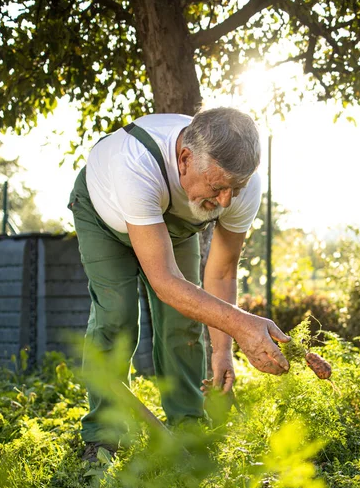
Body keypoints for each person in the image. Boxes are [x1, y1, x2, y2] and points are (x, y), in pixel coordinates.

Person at [68, 107, 290, 462]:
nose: (225, 202)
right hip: (103, 214)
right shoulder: (136, 162)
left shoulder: (237, 184)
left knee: (185, 319)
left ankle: (187, 425)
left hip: (173, 220)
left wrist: (223, 350)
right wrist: (244, 326)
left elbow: (221, 274)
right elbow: (165, 282)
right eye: (218, 187)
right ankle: (103, 437)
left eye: (236, 188)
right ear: (185, 159)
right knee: (117, 316)